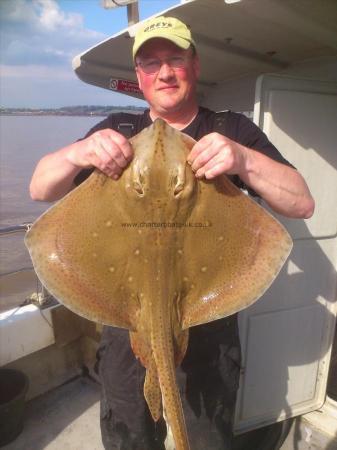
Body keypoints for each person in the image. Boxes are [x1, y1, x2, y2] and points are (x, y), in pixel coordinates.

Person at [30, 16, 315, 450]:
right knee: (130, 439)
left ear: (195, 65)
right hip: (124, 324)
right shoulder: (117, 128)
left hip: (209, 327)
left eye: (175, 59)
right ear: (139, 77)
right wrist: (80, 151)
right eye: (151, 63)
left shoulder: (230, 129)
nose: (165, 72)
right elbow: (39, 188)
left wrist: (244, 160)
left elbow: (302, 203)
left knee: (204, 438)